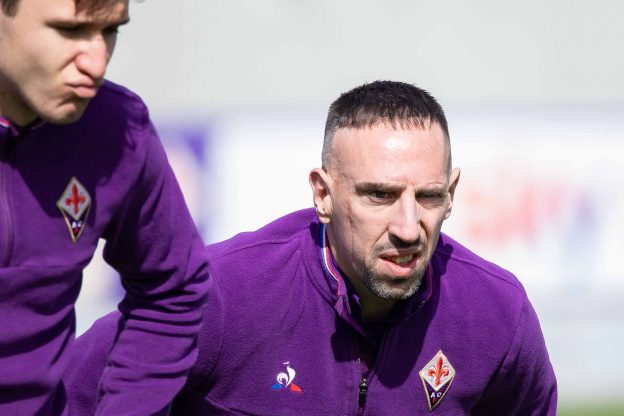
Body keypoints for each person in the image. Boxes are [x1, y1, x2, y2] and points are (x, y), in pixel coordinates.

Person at [66, 81, 557, 415]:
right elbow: (73, 393)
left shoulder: (497, 314)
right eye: (379, 195)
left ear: (451, 195)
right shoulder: (218, 296)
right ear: (323, 194)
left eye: (428, 197)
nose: (409, 228)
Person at [0, 0, 209, 414]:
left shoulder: (116, 127)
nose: (96, 63)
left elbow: (173, 291)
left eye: (110, 30)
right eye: (69, 31)